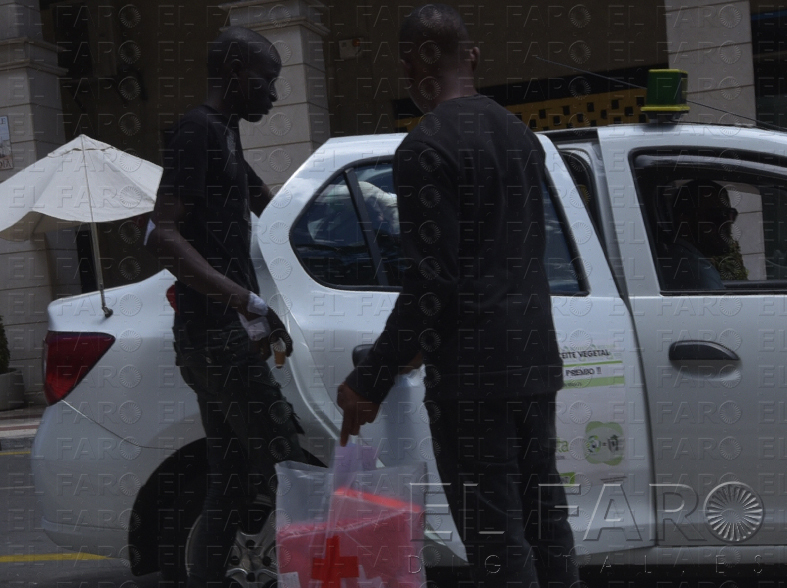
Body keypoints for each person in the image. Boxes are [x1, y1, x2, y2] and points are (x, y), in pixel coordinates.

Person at [336, 5, 579, 587]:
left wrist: (370, 377)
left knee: (496, 537)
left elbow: (433, 280)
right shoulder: (523, 138)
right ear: (471, 56)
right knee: (546, 519)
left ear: (419, 59)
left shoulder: (423, 150)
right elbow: (500, 259)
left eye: (402, 64)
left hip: (474, 381)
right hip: (533, 363)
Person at [146, 26, 306, 588]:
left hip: (217, 336)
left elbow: (277, 208)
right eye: (267, 81)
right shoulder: (198, 131)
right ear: (236, 71)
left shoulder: (227, 133)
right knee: (288, 462)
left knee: (231, 477)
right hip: (216, 336)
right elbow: (162, 234)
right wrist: (242, 299)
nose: (274, 95)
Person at [660, 179, 740, 289]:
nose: (726, 223)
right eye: (716, 216)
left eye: (730, 214)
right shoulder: (695, 272)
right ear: (684, 221)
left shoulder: (683, 259)